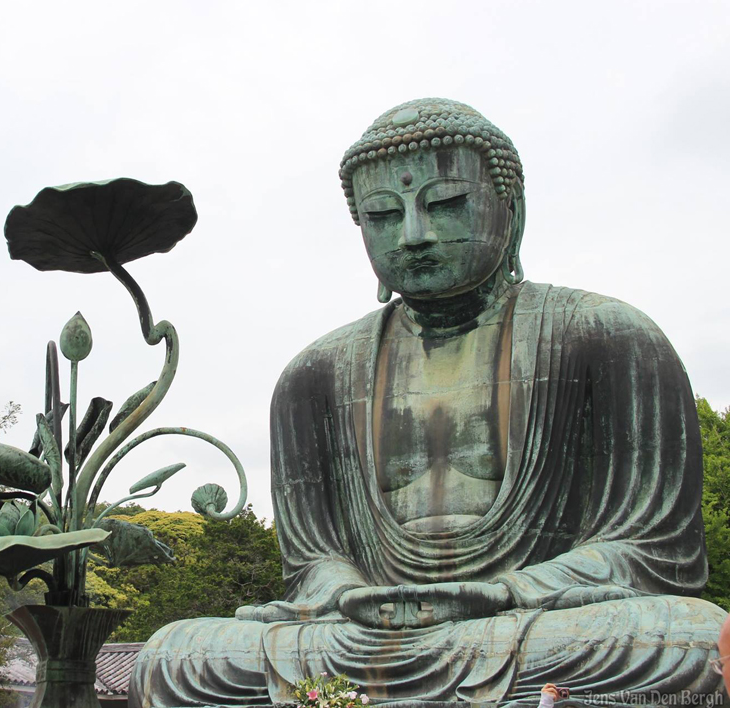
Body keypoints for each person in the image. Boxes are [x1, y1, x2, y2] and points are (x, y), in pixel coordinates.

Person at [128, 98, 727, 706]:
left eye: (444, 204)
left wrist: (507, 592)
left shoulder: (606, 336)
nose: (414, 235)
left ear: (510, 212)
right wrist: (347, 594)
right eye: (383, 215)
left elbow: (655, 554)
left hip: (532, 626)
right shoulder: (314, 376)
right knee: (176, 655)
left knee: (690, 642)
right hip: (361, 638)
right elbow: (314, 562)